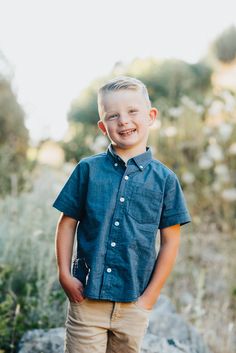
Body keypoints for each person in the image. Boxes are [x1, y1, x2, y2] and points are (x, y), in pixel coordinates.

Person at [52, 76, 191, 353]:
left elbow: (171, 241)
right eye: (112, 116)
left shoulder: (165, 180)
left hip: (133, 303)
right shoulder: (87, 170)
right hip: (87, 301)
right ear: (103, 127)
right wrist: (64, 274)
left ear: (151, 116)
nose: (123, 121)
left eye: (132, 112)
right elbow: (67, 224)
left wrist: (149, 298)